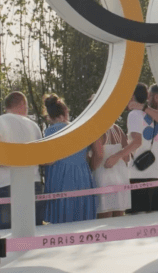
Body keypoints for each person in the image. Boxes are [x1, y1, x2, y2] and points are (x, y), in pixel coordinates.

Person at [0, 91, 45, 230]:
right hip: (33, 183)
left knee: (6, 233)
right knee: (33, 230)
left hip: (8, 183)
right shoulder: (34, 125)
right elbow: (43, 155)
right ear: (23, 104)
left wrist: (2, 161)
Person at [110, 84, 158, 214]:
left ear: (132, 96)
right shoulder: (154, 114)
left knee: (139, 223)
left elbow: (137, 142)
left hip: (139, 174)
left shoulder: (133, 115)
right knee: (156, 221)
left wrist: (116, 156)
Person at [42, 94, 97, 223]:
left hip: (61, 177)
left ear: (49, 116)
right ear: (66, 112)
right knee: (82, 219)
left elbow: (51, 160)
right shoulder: (81, 129)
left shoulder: (51, 131)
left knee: (63, 220)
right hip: (83, 175)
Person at [90, 121, 131, 218]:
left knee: (104, 218)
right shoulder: (117, 129)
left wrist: (91, 166)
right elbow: (127, 157)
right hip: (121, 176)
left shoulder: (96, 129)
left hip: (103, 176)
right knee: (119, 217)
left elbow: (99, 156)